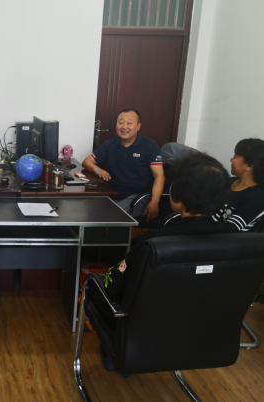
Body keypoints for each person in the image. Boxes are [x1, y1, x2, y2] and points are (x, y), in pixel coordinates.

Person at [87, 153, 232, 370]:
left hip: (144, 332)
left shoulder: (151, 244)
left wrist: (98, 281)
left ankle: (116, 346)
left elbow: (113, 285)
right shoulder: (240, 244)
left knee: (94, 286)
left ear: (176, 195)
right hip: (205, 338)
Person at [82, 110, 165, 221]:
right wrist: (97, 169)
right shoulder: (110, 144)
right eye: (121, 123)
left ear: (138, 126)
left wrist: (154, 202)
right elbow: (87, 161)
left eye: (129, 123)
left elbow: (159, 175)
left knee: (107, 217)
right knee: (86, 209)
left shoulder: (150, 146)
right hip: (114, 193)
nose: (124, 126)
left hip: (138, 196)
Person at [213, 138, 264, 232]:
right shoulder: (228, 181)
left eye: (235, 157)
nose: (231, 159)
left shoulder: (258, 198)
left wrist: (196, 226)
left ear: (249, 166)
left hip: (220, 239)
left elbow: (229, 229)